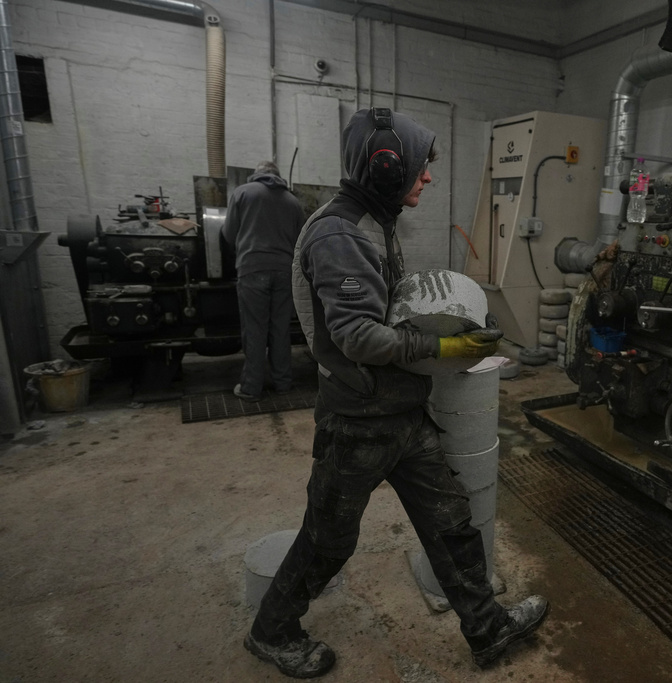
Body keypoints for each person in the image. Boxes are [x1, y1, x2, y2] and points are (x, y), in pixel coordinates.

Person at [242, 108, 549, 678]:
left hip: (401, 411)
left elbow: (384, 309)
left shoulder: (373, 220)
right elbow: (357, 335)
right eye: (418, 167)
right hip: (357, 421)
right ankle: (272, 630)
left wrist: (443, 324)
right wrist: (443, 351)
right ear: (384, 168)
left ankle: (487, 630)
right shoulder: (339, 232)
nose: (427, 177)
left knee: (452, 523)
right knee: (328, 540)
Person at [222, 160, 306, 401]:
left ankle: (251, 387)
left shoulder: (242, 193)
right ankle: (283, 383)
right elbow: (301, 240)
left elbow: (228, 234)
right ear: (278, 176)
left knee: (255, 329)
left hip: (252, 268)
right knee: (280, 329)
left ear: (257, 175)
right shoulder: (292, 201)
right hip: (284, 271)